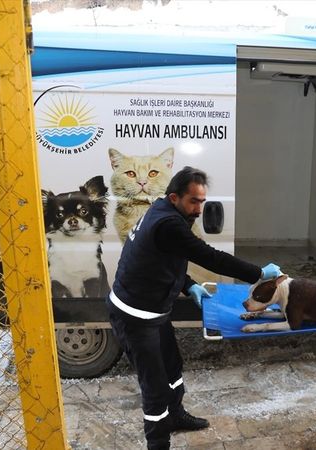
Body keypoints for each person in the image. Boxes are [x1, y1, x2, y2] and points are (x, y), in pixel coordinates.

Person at [106, 166, 281, 450]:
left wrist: (188, 285)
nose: (199, 209)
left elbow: (163, 260)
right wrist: (259, 273)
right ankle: (158, 443)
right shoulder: (169, 224)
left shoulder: (163, 212)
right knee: (154, 387)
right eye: (194, 202)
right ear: (175, 197)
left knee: (173, 366)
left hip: (155, 310)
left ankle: (175, 416)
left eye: (202, 201)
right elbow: (209, 257)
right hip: (135, 316)